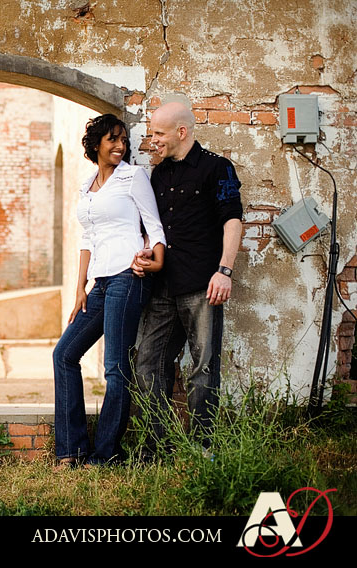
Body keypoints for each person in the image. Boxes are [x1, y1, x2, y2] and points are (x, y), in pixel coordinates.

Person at [53, 114, 166, 469]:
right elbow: (87, 237)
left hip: (128, 277)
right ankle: (71, 449)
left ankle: (104, 455)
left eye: (123, 141)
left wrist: (155, 259)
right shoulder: (87, 186)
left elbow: (154, 225)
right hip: (99, 283)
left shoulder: (133, 177)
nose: (120, 147)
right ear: (96, 144)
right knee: (64, 355)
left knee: (116, 367)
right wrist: (79, 287)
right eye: (112, 140)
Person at [131, 101, 243, 460]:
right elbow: (155, 228)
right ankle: (156, 448)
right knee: (148, 364)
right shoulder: (158, 175)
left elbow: (233, 221)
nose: (152, 141)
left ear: (182, 132)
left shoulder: (217, 168)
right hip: (162, 287)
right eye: (151, 133)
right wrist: (146, 251)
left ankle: (202, 449)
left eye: (158, 133)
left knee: (203, 369)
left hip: (202, 287)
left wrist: (224, 271)